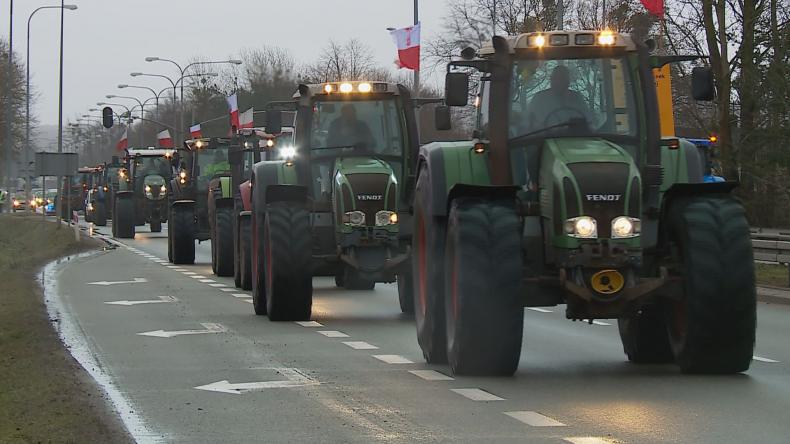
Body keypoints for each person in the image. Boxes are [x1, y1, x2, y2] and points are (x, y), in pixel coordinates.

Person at [527, 65, 592, 131]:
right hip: (544, 137)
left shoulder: (577, 98)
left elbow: (588, 120)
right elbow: (528, 122)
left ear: (568, 81)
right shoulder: (540, 98)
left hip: (573, 137)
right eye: (555, 78)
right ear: (551, 80)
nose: (558, 82)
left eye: (562, 78)